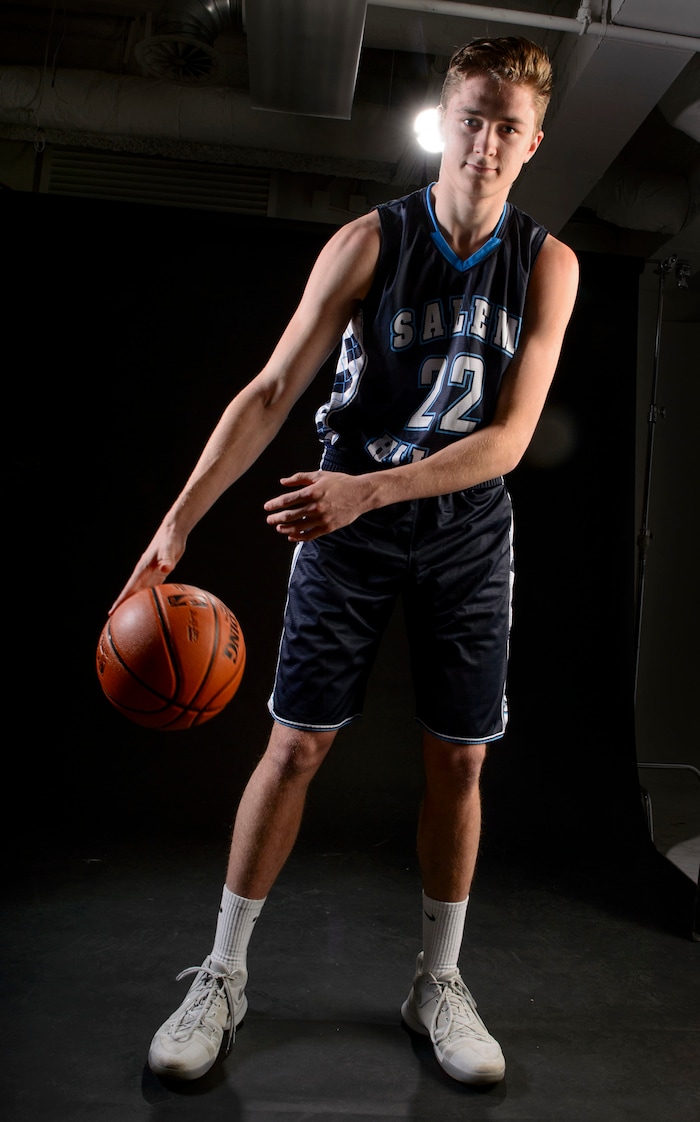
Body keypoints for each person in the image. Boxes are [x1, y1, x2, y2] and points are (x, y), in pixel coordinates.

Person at [111, 36, 579, 1086]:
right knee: (294, 748)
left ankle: (438, 983)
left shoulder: (548, 263)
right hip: (346, 526)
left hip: (461, 528)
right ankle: (222, 976)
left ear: (533, 141)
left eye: (509, 125)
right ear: (441, 121)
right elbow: (274, 389)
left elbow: (508, 439)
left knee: (459, 759)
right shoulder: (371, 241)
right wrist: (178, 522)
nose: (486, 140)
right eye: (471, 116)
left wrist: (372, 486)